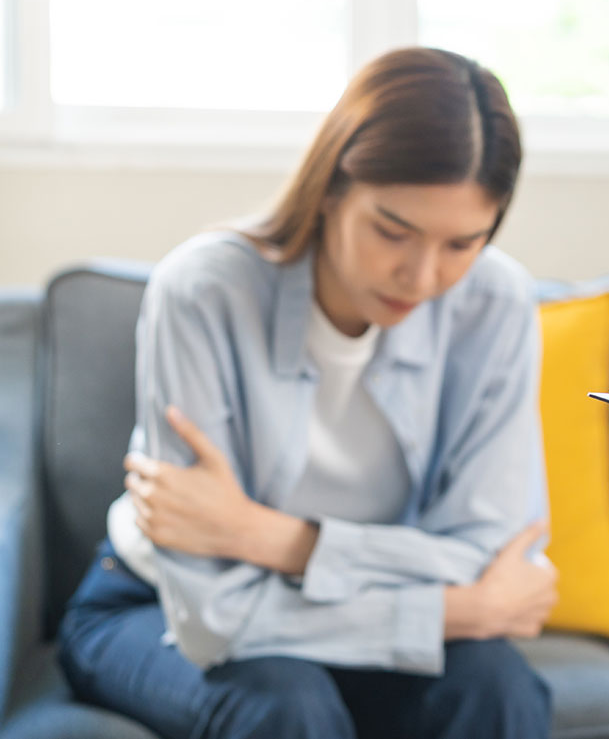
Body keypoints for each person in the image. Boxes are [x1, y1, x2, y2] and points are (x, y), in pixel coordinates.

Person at [57, 47, 557, 739]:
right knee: (285, 702)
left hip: (359, 598)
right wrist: (453, 611)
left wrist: (269, 537)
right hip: (155, 604)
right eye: (393, 230)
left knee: (496, 686)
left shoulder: (496, 301)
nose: (421, 277)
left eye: (461, 243)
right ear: (329, 186)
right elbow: (213, 615)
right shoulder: (201, 291)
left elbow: (489, 550)